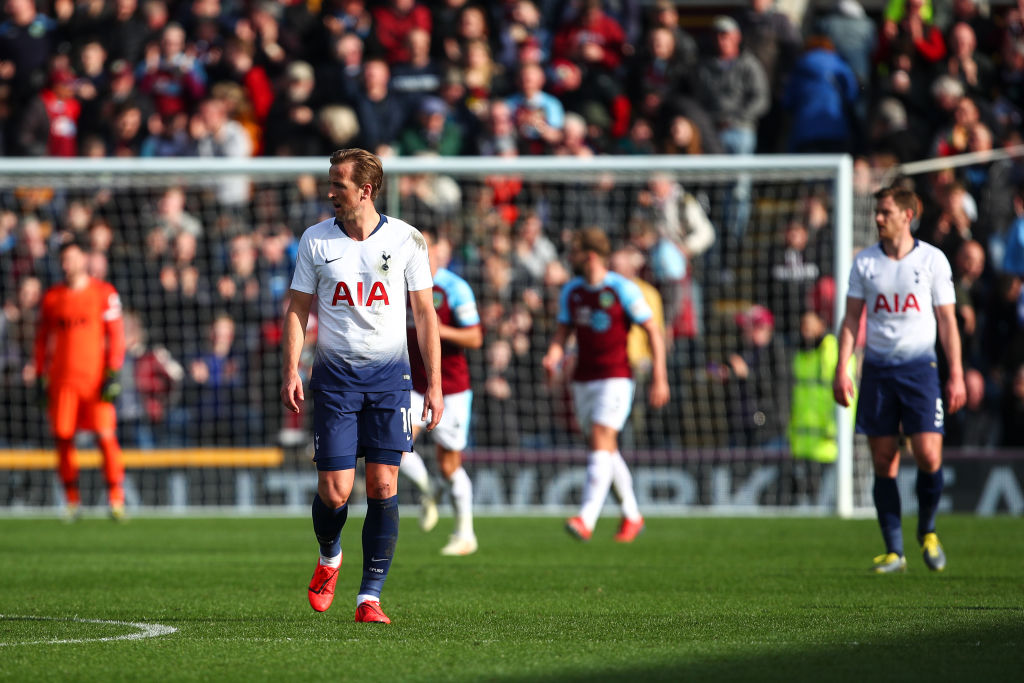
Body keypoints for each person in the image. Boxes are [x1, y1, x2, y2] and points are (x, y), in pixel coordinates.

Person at [281, 148, 442, 625]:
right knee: (334, 492)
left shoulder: (408, 239)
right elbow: (297, 309)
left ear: (365, 190)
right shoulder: (315, 240)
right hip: (334, 380)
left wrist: (434, 385)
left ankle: (368, 598)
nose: (330, 191)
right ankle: (330, 556)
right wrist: (291, 368)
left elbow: (424, 315)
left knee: (384, 484)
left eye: (338, 183)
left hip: (391, 380)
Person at [833, 186, 966, 574]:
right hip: (877, 371)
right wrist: (842, 366)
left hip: (920, 370)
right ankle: (894, 550)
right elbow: (850, 319)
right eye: (877, 212)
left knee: (928, 454)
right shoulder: (865, 264)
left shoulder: (932, 261)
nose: (878, 218)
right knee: (882, 459)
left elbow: (947, 321)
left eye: (886, 212)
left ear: (908, 215)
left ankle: (927, 530)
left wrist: (955, 373)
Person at [543, 227, 670, 543]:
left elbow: (653, 330)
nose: (569, 258)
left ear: (589, 256)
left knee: (601, 439)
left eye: (573, 252)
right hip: (583, 380)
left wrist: (660, 377)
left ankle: (585, 519)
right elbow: (563, 332)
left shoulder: (622, 289)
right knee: (604, 449)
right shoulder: (571, 291)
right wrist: (553, 355)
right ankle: (633, 515)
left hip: (616, 378)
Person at [400, 227, 482, 556]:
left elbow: (475, 338)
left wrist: (434, 326)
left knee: (449, 464)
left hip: (452, 388)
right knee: (393, 442)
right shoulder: (401, 282)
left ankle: (465, 534)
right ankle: (427, 487)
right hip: (412, 384)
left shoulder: (454, 288)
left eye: (428, 247)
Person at [32, 237, 126, 521]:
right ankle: (72, 500)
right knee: (62, 438)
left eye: (71, 258)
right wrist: (40, 375)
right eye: (63, 259)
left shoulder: (104, 293)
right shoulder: (52, 298)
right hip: (62, 382)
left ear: (84, 259)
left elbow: (117, 335)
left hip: (95, 381)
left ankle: (116, 499)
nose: (67, 264)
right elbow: (41, 341)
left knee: (106, 437)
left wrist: (113, 372)